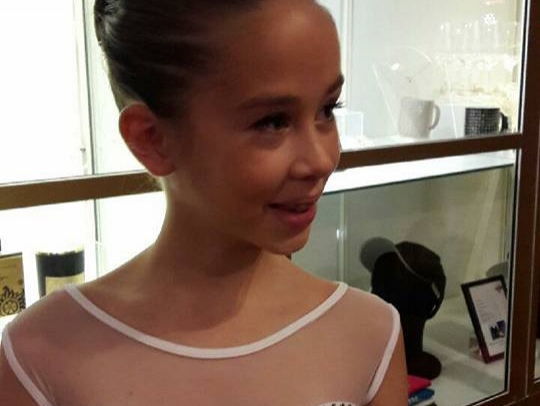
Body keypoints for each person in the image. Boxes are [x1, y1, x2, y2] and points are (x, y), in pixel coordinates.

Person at [0, 1, 408, 405]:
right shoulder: (40, 356)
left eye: (327, 110)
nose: (321, 160)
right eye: (272, 122)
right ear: (152, 139)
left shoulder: (369, 335)